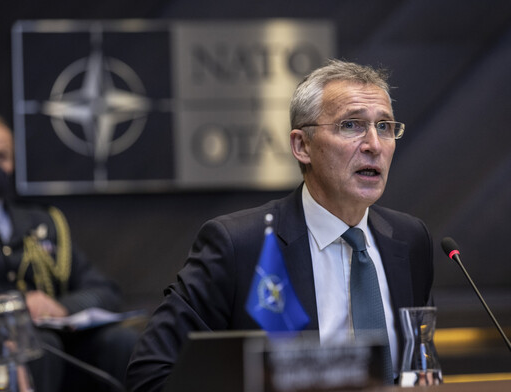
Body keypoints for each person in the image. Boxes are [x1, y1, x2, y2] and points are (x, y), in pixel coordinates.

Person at [126, 59, 434, 392]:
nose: (374, 144)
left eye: (384, 126)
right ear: (302, 146)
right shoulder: (240, 246)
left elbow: (419, 364)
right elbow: (151, 376)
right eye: (351, 125)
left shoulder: (409, 240)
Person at [0, 113, 139, 392]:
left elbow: (105, 291)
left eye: (1, 156)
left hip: (55, 352)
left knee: (120, 342)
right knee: (38, 345)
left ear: (12, 165)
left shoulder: (42, 223)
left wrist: (61, 307)